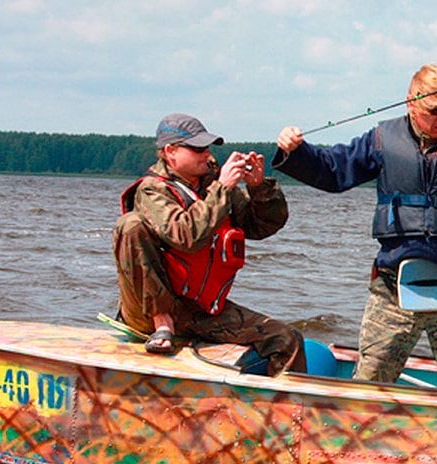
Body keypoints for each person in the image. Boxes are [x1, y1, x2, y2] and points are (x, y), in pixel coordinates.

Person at [273, 64, 437, 393]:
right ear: (412, 103)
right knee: (370, 382)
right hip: (394, 285)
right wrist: (295, 152)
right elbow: (332, 171)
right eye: (435, 110)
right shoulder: (382, 140)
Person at [113, 113, 306, 376]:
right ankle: (163, 323)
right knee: (130, 225)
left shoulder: (213, 186)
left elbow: (261, 227)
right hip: (151, 311)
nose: (207, 155)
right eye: (198, 149)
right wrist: (224, 188)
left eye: (207, 148)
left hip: (200, 310)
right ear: (170, 152)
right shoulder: (152, 191)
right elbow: (186, 236)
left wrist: (259, 187)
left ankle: (288, 409)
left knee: (287, 339)